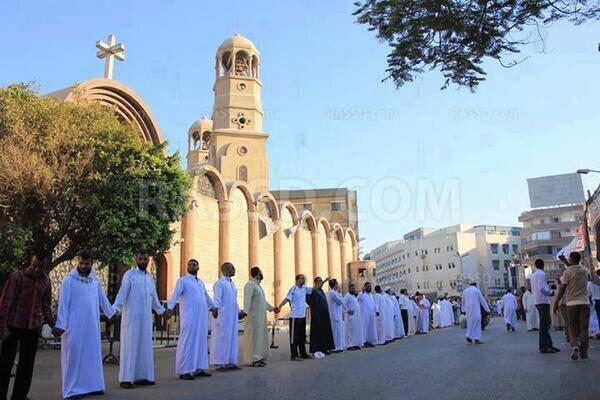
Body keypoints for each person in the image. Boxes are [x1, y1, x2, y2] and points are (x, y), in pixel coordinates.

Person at [53, 250, 115, 399]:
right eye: (81, 263)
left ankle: (94, 386)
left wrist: (111, 313)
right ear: (77, 262)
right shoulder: (69, 280)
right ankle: (71, 390)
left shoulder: (95, 280)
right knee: (73, 357)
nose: (83, 266)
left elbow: (102, 299)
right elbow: (63, 303)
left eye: (86, 264)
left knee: (92, 355)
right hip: (74, 326)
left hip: (92, 326)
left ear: (91, 264)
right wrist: (61, 324)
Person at [0, 253, 55, 400]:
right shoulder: (17, 277)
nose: (37, 269)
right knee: (5, 364)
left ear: (45, 265)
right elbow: (6, 301)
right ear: (31, 261)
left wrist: (52, 324)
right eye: (34, 265)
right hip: (13, 325)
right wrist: (2, 326)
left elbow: (46, 305)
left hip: (32, 327)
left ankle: (19, 396)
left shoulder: (46, 280)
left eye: (41, 267)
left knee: (26, 365)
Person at [113, 252, 167, 389]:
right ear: (136, 259)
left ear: (148, 260)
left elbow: (154, 298)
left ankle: (143, 376)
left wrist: (161, 311)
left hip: (145, 320)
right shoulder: (129, 275)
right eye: (140, 259)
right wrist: (113, 311)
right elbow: (122, 295)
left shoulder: (149, 277)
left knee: (144, 347)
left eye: (145, 259)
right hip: (132, 318)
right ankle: (126, 378)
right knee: (130, 348)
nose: (143, 261)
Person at [166, 259, 217, 380]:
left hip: (201, 318)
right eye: (189, 264)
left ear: (198, 267)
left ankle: (199, 368)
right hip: (189, 317)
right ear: (187, 267)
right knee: (187, 342)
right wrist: (169, 308)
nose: (192, 266)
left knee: (200, 342)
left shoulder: (200, 282)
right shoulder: (183, 281)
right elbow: (175, 295)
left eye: (194, 264)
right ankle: (184, 370)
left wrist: (214, 307)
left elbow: (206, 297)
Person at [554, 252, 590, 361]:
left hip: (571, 304)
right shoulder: (585, 271)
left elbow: (562, 289)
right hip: (584, 302)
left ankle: (574, 345)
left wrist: (556, 302)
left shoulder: (567, 272)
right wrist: (565, 262)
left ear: (571, 260)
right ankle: (584, 354)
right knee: (584, 328)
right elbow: (576, 271)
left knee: (572, 327)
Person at [210, 262, 246, 370]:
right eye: (232, 268)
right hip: (224, 315)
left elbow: (234, 300)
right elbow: (217, 298)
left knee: (232, 338)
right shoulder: (219, 283)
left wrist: (238, 311)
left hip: (232, 315)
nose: (234, 269)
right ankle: (221, 362)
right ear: (224, 270)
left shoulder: (232, 284)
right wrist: (215, 308)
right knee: (222, 338)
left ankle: (231, 361)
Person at [241, 266, 278, 367]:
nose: (262, 274)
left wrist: (272, 308)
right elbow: (247, 300)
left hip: (260, 317)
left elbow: (263, 302)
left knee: (259, 338)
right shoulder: (250, 285)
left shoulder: (257, 286)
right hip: (253, 317)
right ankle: (252, 359)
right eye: (261, 272)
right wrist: (245, 312)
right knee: (253, 337)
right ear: (257, 274)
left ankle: (259, 357)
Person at [276, 274, 313, 361]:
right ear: (297, 280)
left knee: (302, 337)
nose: (304, 280)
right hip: (295, 317)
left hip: (302, 316)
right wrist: (280, 306)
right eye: (302, 279)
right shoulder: (293, 289)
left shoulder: (305, 288)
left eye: (304, 279)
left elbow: (314, 289)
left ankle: (303, 354)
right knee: (294, 337)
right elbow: (287, 299)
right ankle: (294, 355)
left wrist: (324, 281)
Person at [530, 258, 560, 354]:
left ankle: (548, 344)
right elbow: (542, 288)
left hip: (537, 300)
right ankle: (544, 346)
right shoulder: (542, 274)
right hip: (543, 300)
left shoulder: (533, 275)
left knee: (544, 323)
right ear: (543, 265)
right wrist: (551, 293)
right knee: (545, 324)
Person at [307, 277, 335, 355]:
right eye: (319, 281)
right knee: (317, 332)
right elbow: (308, 300)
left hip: (324, 315)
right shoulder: (312, 291)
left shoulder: (321, 291)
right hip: (317, 315)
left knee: (324, 331)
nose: (321, 283)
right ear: (315, 282)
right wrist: (315, 307)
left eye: (321, 281)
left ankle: (324, 348)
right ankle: (316, 349)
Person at [326, 279, 345, 352]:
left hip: (337, 315)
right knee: (335, 332)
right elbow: (340, 301)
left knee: (338, 331)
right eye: (337, 283)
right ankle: (335, 347)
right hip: (334, 315)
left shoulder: (334, 292)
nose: (338, 285)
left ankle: (339, 346)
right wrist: (340, 294)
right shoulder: (332, 292)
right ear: (335, 284)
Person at [357, 282, 377, 347]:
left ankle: (369, 341)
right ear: (365, 287)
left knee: (371, 328)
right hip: (364, 314)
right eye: (367, 286)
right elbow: (357, 299)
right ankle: (364, 341)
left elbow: (373, 304)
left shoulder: (371, 295)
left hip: (371, 314)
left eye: (370, 286)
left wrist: (375, 311)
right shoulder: (362, 294)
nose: (369, 288)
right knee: (365, 327)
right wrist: (361, 292)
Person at [343, 284, 362, 350]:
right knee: (349, 331)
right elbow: (343, 304)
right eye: (352, 289)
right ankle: (349, 345)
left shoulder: (353, 296)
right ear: (349, 289)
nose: (354, 290)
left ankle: (354, 344)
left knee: (355, 330)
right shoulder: (347, 296)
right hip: (350, 316)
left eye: (354, 288)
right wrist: (348, 310)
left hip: (356, 317)